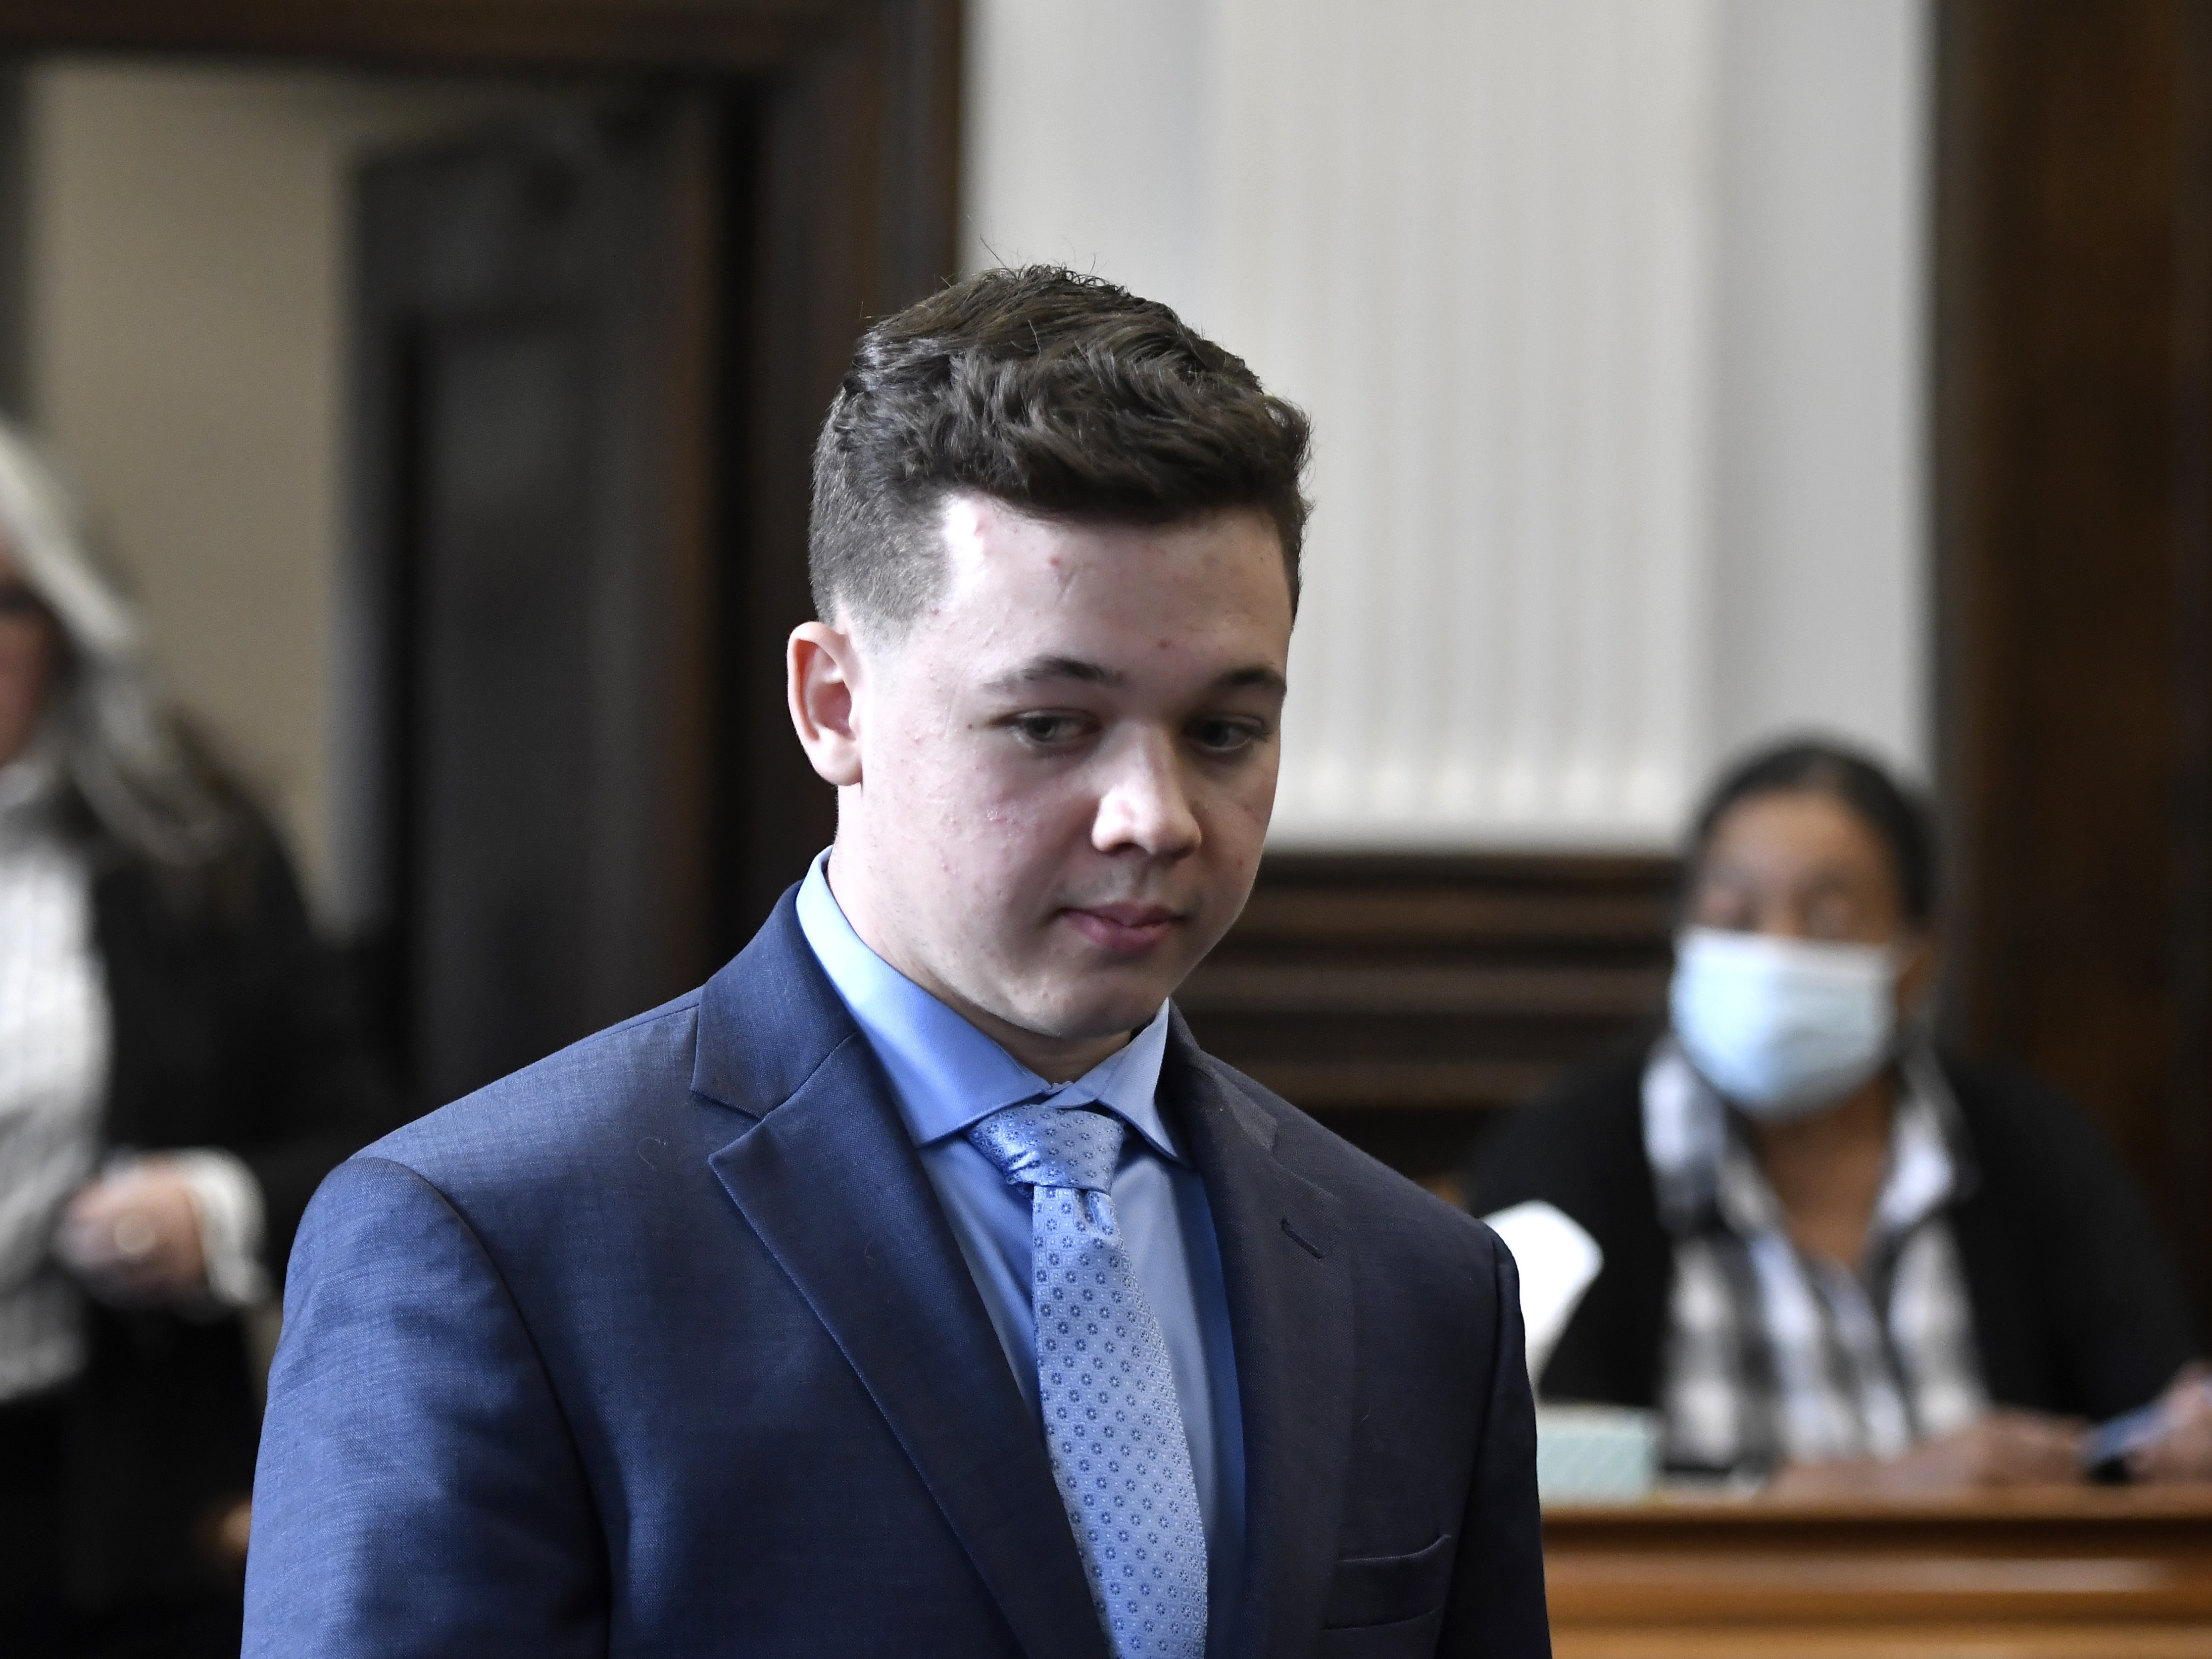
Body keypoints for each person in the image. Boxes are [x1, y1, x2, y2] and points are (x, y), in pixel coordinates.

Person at [242, 268, 1547, 1658]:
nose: (1155, 817)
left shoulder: (1422, 1285)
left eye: (1223, 732)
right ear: (833, 704)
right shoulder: (491, 1244)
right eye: (1051, 724)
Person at [1469, 737, 2212, 1492]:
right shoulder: (1566, 1154)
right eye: (1734, 916)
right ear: (1683, 936)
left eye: (1827, 919)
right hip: (1699, 1577)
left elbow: (2146, 1412)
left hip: (2007, 1573)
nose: (1776, 951)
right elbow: (1541, 1470)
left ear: (1918, 956)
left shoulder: (2028, 1144)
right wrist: (1880, 1489)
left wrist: (2178, 1440)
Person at [0, 425, 396, 1655]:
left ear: (64, 625)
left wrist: (210, 1208)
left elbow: (359, 1151)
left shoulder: (195, 843)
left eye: (5, 604)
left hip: (109, 1509)